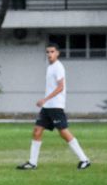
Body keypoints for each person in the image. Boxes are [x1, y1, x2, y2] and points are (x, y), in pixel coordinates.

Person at [17, 43, 91, 171]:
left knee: (63, 132)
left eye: (52, 51)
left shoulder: (58, 67)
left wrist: (45, 99)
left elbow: (60, 87)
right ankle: (32, 162)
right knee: (37, 131)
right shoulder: (50, 67)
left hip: (56, 106)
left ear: (57, 53)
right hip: (47, 107)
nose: (49, 54)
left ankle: (84, 159)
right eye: (47, 52)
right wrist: (45, 102)